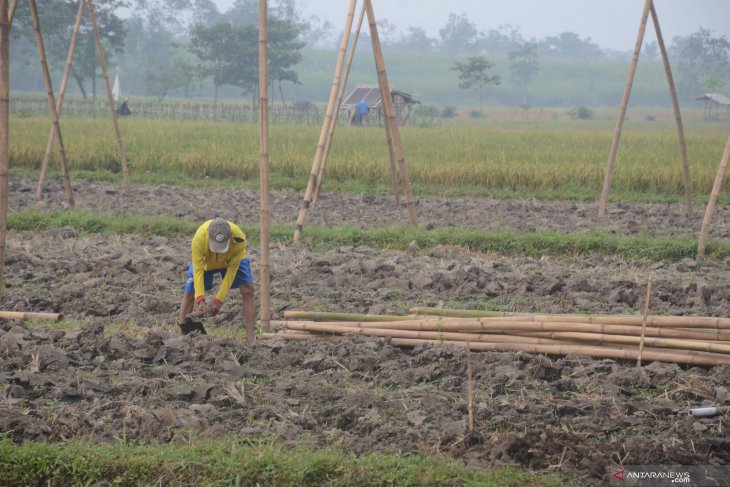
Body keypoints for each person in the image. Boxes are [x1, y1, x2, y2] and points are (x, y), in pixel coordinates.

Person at [178, 217, 256, 342]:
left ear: (230, 236)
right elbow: (197, 270)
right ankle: (182, 334)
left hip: (230, 259)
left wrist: (218, 301)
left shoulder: (239, 239)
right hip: (206, 261)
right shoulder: (199, 238)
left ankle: (251, 338)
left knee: (248, 290)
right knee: (190, 291)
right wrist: (200, 300)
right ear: (208, 234)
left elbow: (231, 271)